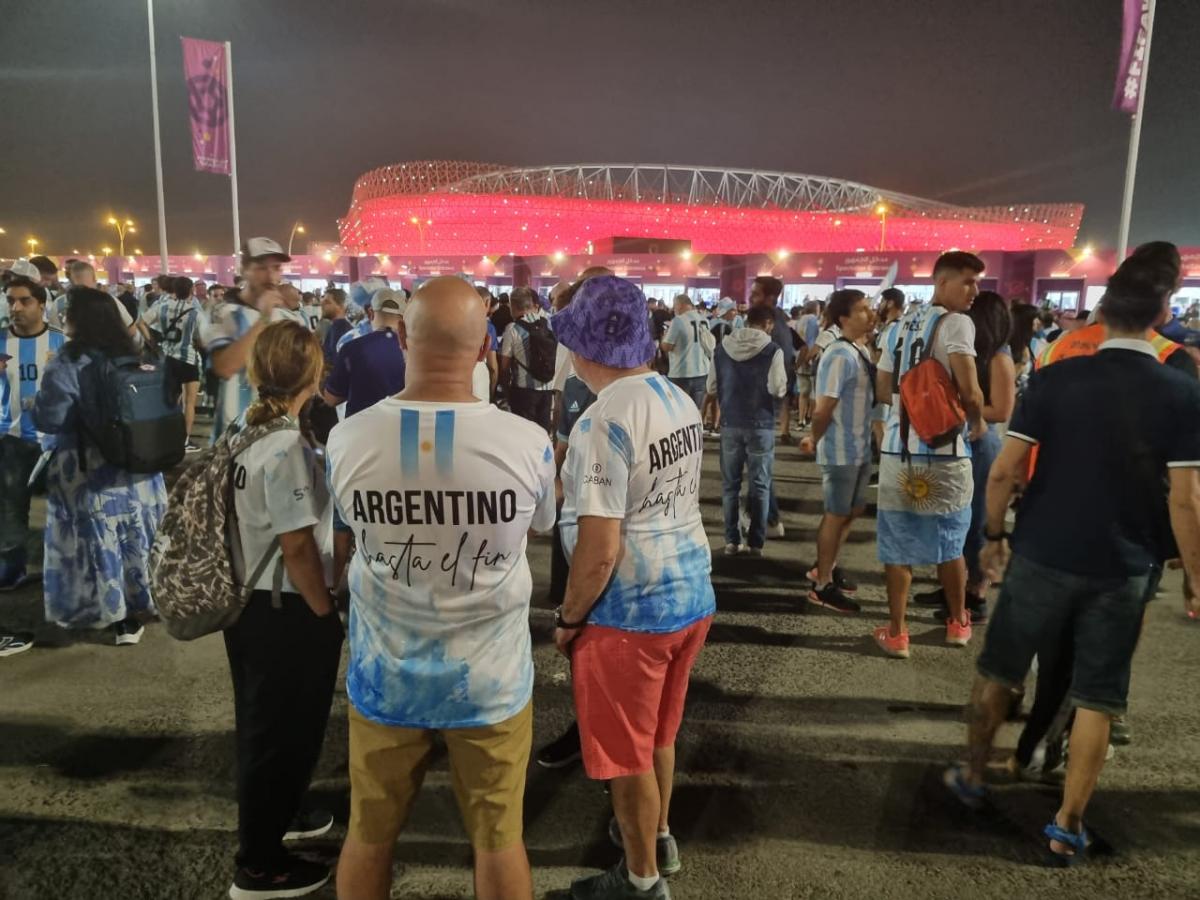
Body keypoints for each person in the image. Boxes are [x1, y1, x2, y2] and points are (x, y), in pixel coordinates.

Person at [944, 256, 1200, 865]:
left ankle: (973, 777)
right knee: (1098, 697)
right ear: (1164, 316)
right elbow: (1188, 501)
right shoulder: (1183, 392)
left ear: (1102, 312)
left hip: (1041, 551)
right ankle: (1066, 823)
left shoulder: (1058, 379)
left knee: (1000, 668)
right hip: (1124, 565)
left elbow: (1005, 470)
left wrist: (994, 534)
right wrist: (1194, 576)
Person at [329, 276, 555, 900]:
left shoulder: (346, 439)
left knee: (368, 834)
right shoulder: (528, 443)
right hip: (490, 678)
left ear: (401, 335)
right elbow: (541, 528)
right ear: (486, 345)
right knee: (500, 840)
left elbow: (345, 533)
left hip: (386, 673)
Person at [553, 274, 715, 900]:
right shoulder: (675, 398)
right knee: (659, 736)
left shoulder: (601, 423)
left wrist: (570, 619)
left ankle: (641, 880)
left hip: (630, 611)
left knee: (626, 755)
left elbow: (597, 550)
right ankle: (661, 836)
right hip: (689, 591)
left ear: (583, 346)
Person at [222, 321, 344, 900]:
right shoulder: (285, 448)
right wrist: (325, 612)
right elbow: (297, 546)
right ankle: (260, 864)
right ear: (312, 375)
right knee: (280, 732)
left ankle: (282, 814)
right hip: (285, 607)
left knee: (262, 725)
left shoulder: (240, 432)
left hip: (248, 603)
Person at [33, 288, 166, 645]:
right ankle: (143, 603)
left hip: (88, 471)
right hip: (140, 469)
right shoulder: (136, 352)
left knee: (93, 541)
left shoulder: (66, 361)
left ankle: (109, 612)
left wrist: (36, 401)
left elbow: (50, 418)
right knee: (138, 537)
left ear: (78, 319)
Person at [873, 251, 987, 658]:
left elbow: (883, 385)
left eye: (977, 282)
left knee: (897, 544)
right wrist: (976, 419)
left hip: (898, 451)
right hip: (945, 450)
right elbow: (971, 389)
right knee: (950, 542)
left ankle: (898, 632)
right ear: (941, 282)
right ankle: (957, 623)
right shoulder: (957, 323)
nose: (975, 290)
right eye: (967, 281)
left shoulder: (898, 326)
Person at [799, 290, 874, 612]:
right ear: (843, 318)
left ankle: (826, 566)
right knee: (836, 514)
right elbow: (822, 408)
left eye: (869, 308)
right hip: (840, 448)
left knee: (853, 511)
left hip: (859, 447)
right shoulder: (839, 355)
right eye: (862, 310)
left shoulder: (861, 350)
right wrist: (814, 438)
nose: (870, 314)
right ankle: (821, 583)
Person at [0, 276, 66, 603]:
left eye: (24, 300)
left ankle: (62, 569)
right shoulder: (0, 342)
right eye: (11, 300)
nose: (16, 307)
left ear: (42, 304)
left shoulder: (61, 342)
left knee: (62, 508)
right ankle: (13, 568)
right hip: (11, 441)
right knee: (11, 509)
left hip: (56, 442)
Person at [708, 304, 786, 557]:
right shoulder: (773, 350)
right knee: (760, 485)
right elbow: (777, 388)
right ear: (768, 324)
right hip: (761, 423)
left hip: (730, 422)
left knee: (730, 485)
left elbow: (711, 387)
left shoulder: (722, 349)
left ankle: (732, 540)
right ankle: (756, 543)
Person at [202, 238, 296, 443]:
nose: (271, 276)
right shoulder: (221, 312)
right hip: (234, 436)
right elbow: (225, 367)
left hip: (277, 435)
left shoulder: (286, 318)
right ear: (244, 270)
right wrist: (264, 317)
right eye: (262, 268)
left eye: (277, 268)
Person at [748, 277, 796, 537]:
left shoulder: (772, 328)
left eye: (755, 294)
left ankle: (769, 518)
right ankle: (759, 515)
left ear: (769, 298)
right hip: (766, 402)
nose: (749, 297)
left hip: (759, 403)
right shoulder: (781, 322)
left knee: (758, 463)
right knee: (756, 461)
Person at [322, 288, 406, 417]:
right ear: (403, 316)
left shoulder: (352, 347)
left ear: (371, 313)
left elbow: (331, 399)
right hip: (402, 428)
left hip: (358, 430)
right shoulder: (416, 350)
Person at [143, 276, 204, 451]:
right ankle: (184, 441)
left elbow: (141, 322)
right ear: (191, 290)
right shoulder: (195, 312)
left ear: (174, 290)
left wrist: (151, 342)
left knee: (168, 400)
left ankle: (164, 436)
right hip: (188, 359)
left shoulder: (161, 307)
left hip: (168, 358)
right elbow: (203, 338)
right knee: (189, 402)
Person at [498, 286, 555, 431]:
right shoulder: (548, 324)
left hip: (523, 392)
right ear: (531, 304)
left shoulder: (512, 329)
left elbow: (504, 367)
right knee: (543, 431)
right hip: (547, 389)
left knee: (524, 432)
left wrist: (505, 392)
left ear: (513, 306)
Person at [660, 293, 711, 411]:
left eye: (675, 306)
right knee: (696, 411)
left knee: (680, 412)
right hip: (702, 371)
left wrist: (664, 336)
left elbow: (667, 346)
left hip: (681, 373)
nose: (674, 309)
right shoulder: (704, 320)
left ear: (680, 305)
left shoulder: (678, 321)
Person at [702, 298, 739, 434]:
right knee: (715, 394)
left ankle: (706, 422)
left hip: (711, 360)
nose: (735, 312)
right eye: (732, 310)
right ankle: (714, 424)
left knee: (711, 394)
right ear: (727, 311)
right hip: (721, 362)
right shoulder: (725, 326)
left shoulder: (712, 322)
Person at [320, 287, 352, 365]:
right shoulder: (334, 326)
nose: (322, 305)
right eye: (322, 301)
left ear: (341, 306)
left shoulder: (340, 329)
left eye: (327, 302)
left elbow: (335, 363)